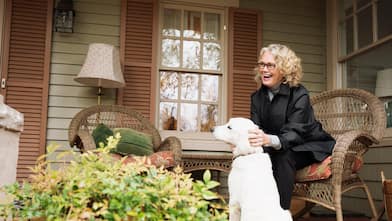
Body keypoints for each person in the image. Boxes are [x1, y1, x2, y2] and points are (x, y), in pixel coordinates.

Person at [248, 44, 336, 210]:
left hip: (307, 145)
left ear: (284, 69)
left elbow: (295, 133)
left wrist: (268, 139)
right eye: (262, 64)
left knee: (283, 155)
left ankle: (280, 213)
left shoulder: (299, 94)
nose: (264, 70)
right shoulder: (257, 97)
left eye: (270, 65)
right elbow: (255, 128)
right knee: (255, 157)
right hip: (275, 145)